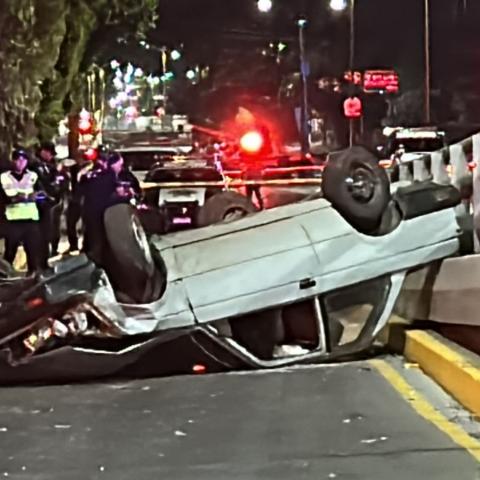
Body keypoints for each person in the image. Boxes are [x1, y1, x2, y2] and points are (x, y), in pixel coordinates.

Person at [0, 149, 46, 273]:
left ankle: (34, 277)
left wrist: (37, 197)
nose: (21, 162)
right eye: (18, 160)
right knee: (10, 252)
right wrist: (19, 197)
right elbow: (4, 197)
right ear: (13, 161)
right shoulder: (4, 177)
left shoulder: (33, 176)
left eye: (23, 160)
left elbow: (42, 194)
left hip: (31, 218)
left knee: (33, 252)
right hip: (13, 219)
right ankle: (4, 278)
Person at [31, 141, 69, 257]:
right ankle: (44, 255)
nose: (51, 156)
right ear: (43, 151)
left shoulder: (51, 166)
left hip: (55, 202)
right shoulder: (35, 167)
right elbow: (43, 184)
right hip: (43, 204)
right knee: (45, 231)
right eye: (49, 153)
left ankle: (53, 250)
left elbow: (63, 182)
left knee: (53, 228)